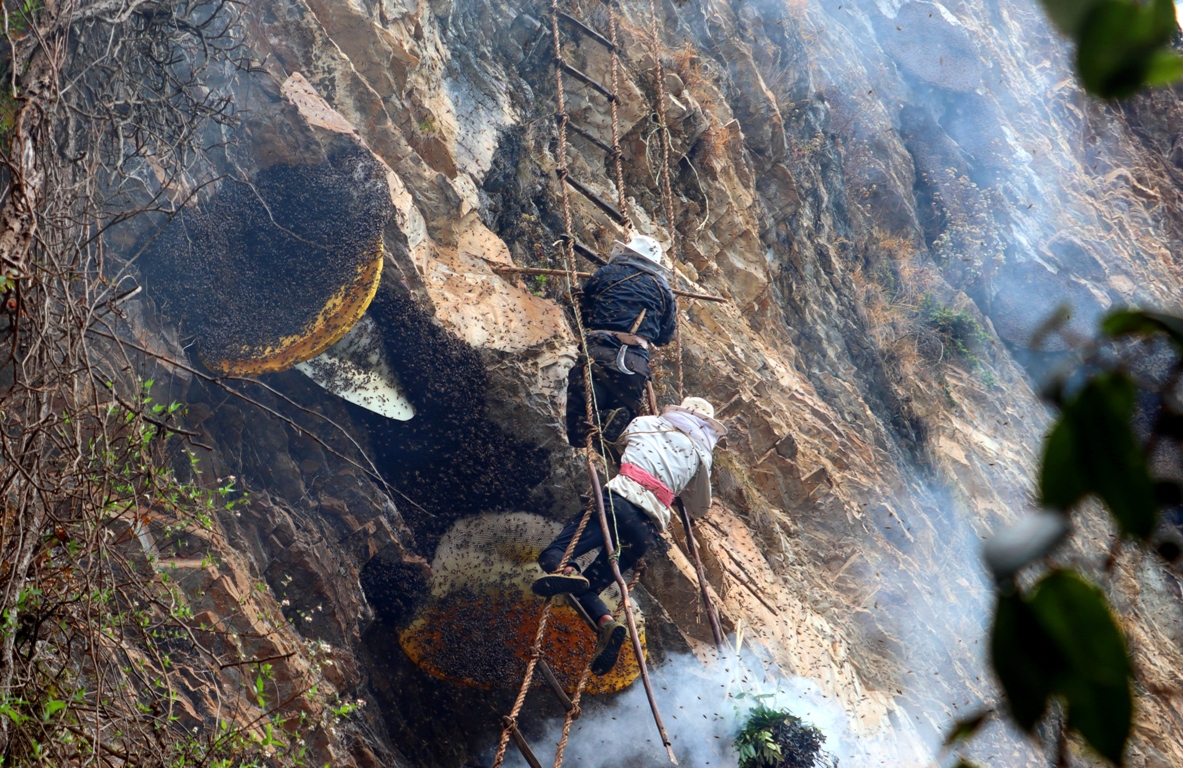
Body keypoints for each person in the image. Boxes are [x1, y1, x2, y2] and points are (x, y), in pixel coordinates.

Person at [534, 396, 726, 675]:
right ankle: (607, 624)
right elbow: (699, 508)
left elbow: (619, 444)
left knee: (554, 555)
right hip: (647, 530)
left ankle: (569, 570)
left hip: (619, 503)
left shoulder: (647, 423)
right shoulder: (702, 456)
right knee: (589, 589)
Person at [566, 234, 677, 448]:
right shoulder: (665, 291)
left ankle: (599, 420)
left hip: (600, 350)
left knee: (579, 423)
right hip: (635, 363)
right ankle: (611, 418)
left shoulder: (607, 272)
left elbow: (583, 312)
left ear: (627, 252)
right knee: (616, 434)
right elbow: (665, 337)